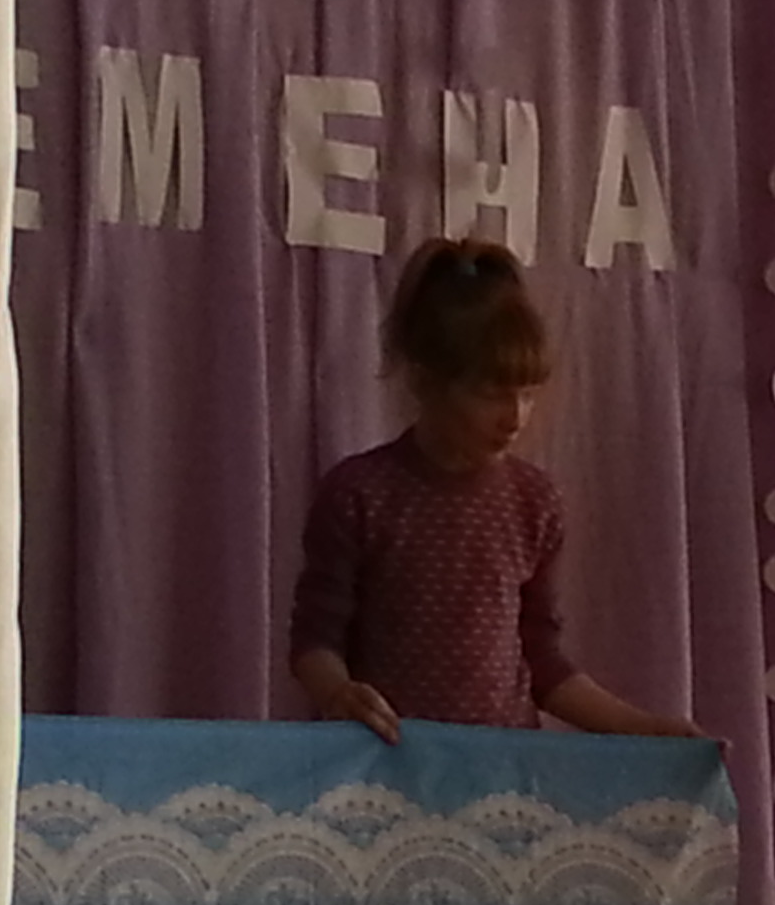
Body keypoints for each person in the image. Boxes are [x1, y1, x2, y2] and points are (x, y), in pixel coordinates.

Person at [289, 238, 699, 742]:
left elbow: (542, 658)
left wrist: (640, 727)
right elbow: (315, 639)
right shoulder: (359, 494)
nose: (515, 417)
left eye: (528, 394)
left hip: (503, 767)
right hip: (389, 763)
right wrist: (339, 694)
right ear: (424, 381)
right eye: (491, 394)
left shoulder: (533, 501)